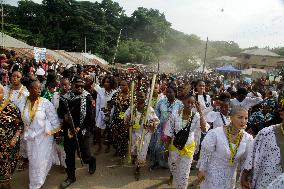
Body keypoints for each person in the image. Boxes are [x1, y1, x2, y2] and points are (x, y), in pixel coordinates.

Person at [17, 79, 61, 189]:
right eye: (37, 88)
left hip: (44, 137)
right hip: (30, 138)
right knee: (33, 160)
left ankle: (36, 184)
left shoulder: (45, 103)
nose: (39, 90)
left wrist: (57, 134)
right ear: (29, 90)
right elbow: (18, 116)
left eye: (40, 88)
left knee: (39, 161)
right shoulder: (22, 102)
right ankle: (38, 179)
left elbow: (54, 119)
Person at [197, 107, 254, 189]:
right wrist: (202, 169)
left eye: (246, 118)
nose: (243, 121)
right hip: (212, 174)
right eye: (240, 117)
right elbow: (206, 152)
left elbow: (245, 160)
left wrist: (244, 178)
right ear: (231, 117)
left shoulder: (248, 138)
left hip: (230, 177)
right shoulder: (216, 133)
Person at [58, 76, 96, 189]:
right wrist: (64, 116)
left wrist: (80, 127)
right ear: (72, 85)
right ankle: (71, 177)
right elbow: (59, 112)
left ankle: (92, 160)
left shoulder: (87, 97)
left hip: (83, 131)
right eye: (77, 85)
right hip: (69, 130)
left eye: (82, 86)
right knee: (69, 155)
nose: (80, 88)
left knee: (84, 155)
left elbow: (90, 117)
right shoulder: (64, 98)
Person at [164, 93, 207, 189]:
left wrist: (200, 112)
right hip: (174, 147)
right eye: (188, 102)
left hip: (188, 149)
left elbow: (204, 129)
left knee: (184, 173)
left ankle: (182, 187)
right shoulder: (175, 114)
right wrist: (166, 149)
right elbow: (169, 132)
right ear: (183, 101)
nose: (190, 105)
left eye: (193, 103)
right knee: (173, 168)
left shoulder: (196, 116)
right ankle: (177, 184)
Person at [241, 99, 284, 189]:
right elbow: (252, 156)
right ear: (281, 113)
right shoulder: (267, 133)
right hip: (265, 182)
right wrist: (244, 177)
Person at [124, 91, 160, 180]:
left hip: (145, 135)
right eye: (138, 96)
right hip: (134, 133)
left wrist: (149, 125)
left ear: (145, 98)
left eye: (142, 97)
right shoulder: (132, 108)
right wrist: (128, 121)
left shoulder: (149, 109)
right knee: (134, 150)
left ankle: (138, 169)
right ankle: (134, 159)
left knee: (141, 153)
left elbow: (156, 121)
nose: (140, 99)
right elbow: (125, 117)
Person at [150, 85, 183, 169]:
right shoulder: (161, 102)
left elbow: (181, 117)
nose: (167, 94)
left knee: (169, 148)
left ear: (175, 93)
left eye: (170, 92)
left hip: (173, 130)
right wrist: (155, 122)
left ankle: (166, 164)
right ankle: (157, 162)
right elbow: (156, 113)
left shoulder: (179, 104)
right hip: (161, 128)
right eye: (166, 92)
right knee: (158, 146)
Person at [0, 84, 24, 189]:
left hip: (7, 148)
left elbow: (20, 126)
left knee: (5, 177)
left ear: (2, 93)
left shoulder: (11, 108)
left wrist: (15, 138)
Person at [110, 79, 130, 163]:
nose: (121, 87)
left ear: (128, 86)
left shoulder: (132, 96)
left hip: (125, 121)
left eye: (123, 85)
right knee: (115, 136)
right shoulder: (116, 94)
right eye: (120, 85)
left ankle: (122, 155)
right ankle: (117, 149)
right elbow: (111, 103)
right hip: (116, 119)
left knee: (124, 138)